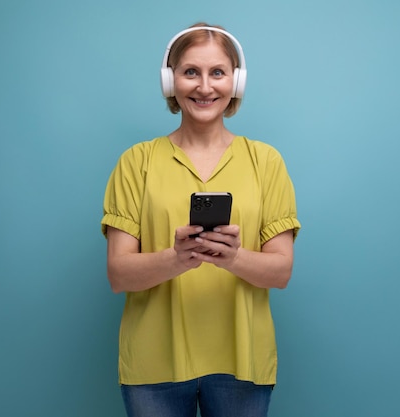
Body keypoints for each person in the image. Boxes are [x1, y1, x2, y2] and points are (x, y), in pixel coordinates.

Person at [101, 22, 300, 417]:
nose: (204, 87)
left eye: (217, 73)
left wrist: (234, 258)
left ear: (236, 82)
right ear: (169, 80)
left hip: (241, 363)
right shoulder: (136, 162)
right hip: (153, 363)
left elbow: (281, 273)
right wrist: (177, 259)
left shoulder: (266, 162)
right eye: (191, 71)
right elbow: (118, 274)